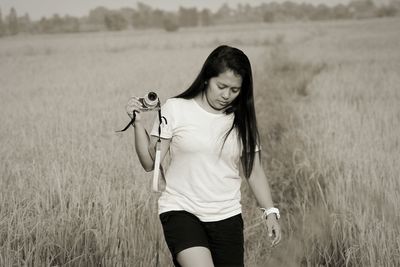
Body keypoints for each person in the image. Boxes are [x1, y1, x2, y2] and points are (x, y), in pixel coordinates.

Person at [126, 45, 281, 267]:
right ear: (207, 78)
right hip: (181, 210)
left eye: (235, 90)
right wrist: (137, 123)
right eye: (221, 86)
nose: (226, 95)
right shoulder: (176, 109)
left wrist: (271, 212)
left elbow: (254, 171)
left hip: (227, 215)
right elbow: (150, 163)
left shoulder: (243, 120)